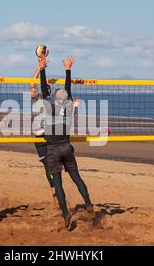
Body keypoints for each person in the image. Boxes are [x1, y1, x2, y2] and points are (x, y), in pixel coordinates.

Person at [39, 55, 93, 229]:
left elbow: (44, 90)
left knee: (58, 184)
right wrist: (68, 69)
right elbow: (67, 91)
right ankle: (89, 204)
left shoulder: (48, 107)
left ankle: (65, 214)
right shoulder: (69, 108)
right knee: (77, 178)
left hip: (53, 150)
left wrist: (42, 69)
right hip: (66, 148)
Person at [28, 65, 58, 207]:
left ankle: (56, 192)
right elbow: (32, 84)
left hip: (50, 136)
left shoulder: (52, 103)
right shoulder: (36, 98)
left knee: (53, 165)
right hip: (39, 136)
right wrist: (39, 69)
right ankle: (54, 192)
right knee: (47, 166)